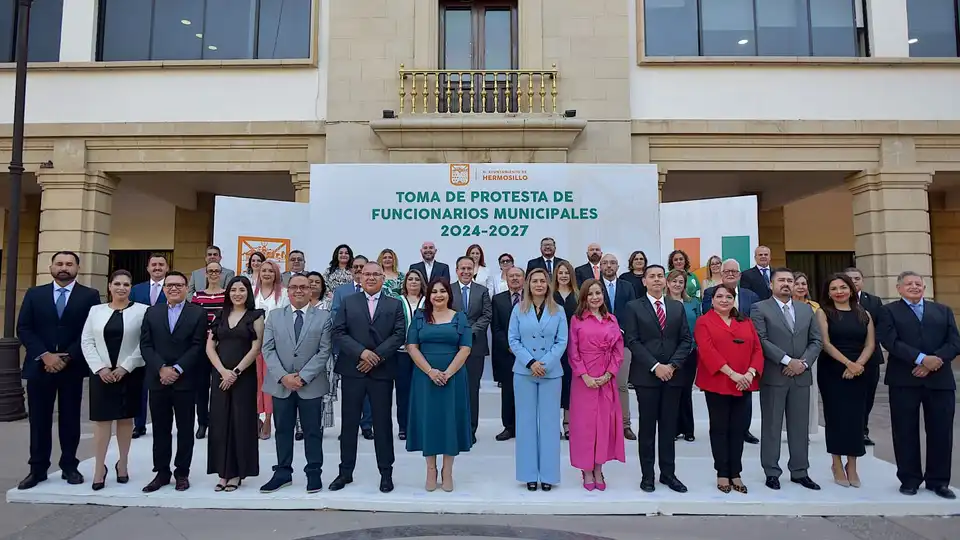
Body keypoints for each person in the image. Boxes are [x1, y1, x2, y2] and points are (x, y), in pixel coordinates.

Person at [16, 251, 101, 490]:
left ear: (77, 268)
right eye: (59, 263)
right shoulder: (35, 294)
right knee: (39, 421)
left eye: (69, 264)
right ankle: (38, 469)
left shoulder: (89, 296)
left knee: (70, 419)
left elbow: (89, 330)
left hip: (71, 367)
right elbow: (24, 328)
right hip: (39, 366)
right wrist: (45, 355)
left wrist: (67, 356)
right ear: (51, 267)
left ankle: (69, 466)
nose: (64, 267)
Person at [878, 271, 959, 500]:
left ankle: (938, 481)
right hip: (905, 379)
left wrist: (934, 361)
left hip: (940, 380)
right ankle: (910, 479)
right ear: (899, 289)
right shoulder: (889, 311)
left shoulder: (942, 310)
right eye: (908, 284)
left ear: (924, 287)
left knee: (941, 432)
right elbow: (890, 341)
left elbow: (954, 342)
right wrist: (921, 359)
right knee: (905, 431)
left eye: (918, 283)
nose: (914, 287)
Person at [330, 262, 406, 493]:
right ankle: (345, 472)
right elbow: (338, 332)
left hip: (382, 372)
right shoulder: (348, 302)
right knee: (350, 423)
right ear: (360, 277)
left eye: (376, 274)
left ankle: (386, 473)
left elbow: (399, 334)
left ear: (383, 278)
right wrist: (361, 353)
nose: (371, 278)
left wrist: (376, 356)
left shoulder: (394, 304)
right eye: (367, 274)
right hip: (353, 370)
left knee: (382, 424)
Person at [620, 264, 693, 493]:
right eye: (651, 276)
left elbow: (686, 340)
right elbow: (632, 340)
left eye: (660, 276)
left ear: (666, 280)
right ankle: (648, 475)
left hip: (672, 376)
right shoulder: (633, 307)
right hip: (647, 377)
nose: (656, 280)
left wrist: (671, 366)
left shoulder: (676, 307)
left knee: (669, 427)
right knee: (648, 428)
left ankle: (668, 474)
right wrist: (655, 366)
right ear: (644, 281)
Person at [259, 274, 333, 494]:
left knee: (312, 431)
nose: (299, 291)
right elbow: (267, 349)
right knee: (282, 430)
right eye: (294, 287)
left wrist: (303, 377)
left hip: (310, 385)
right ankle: (283, 472)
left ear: (311, 291)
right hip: (281, 384)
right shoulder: (274, 316)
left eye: (304, 287)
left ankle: (313, 473)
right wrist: (284, 377)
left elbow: (324, 350)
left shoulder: (324, 317)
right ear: (287, 291)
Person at [751, 267, 823, 492]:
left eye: (790, 281)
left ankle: (800, 471)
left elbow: (816, 341)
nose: (786, 284)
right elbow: (760, 340)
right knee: (772, 426)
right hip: (775, 375)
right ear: (771, 284)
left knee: (799, 427)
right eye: (781, 280)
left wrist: (802, 363)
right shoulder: (759, 308)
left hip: (801, 375)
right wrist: (786, 360)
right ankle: (772, 472)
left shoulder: (806, 310)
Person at [140, 271, 208, 493]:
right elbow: (146, 345)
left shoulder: (197, 313)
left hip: (185, 379)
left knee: (185, 428)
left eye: (179, 285)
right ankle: (161, 472)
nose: (174, 288)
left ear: (187, 287)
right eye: (169, 285)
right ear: (164, 288)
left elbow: (198, 346)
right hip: (158, 378)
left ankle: (182, 472)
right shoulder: (152, 312)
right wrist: (161, 368)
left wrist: (177, 369)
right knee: (160, 428)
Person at [80, 269, 148, 491]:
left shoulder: (142, 311)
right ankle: (99, 468)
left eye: (126, 285)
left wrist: (125, 367)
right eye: (117, 284)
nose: (121, 288)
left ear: (131, 288)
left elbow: (144, 343)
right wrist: (100, 368)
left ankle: (123, 463)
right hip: (101, 374)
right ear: (109, 286)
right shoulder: (95, 311)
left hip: (129, 373)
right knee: (102, 422)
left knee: (126, 420)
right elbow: (87, 341)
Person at [694, 284, 764, 494]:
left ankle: (736, 472)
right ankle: (722, 472)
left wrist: (749, 374)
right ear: (712, 300)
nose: (724, 300)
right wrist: (733, 375)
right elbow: (708, 352)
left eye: (729, 297)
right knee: (720, 429)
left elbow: (757, 350)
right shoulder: (704, 322)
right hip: (718, 382)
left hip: (744, 382)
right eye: (720, 296)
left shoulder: (746, 321)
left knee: (737, 429)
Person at [405, 277, 474, 492]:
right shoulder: (419, 317)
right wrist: (431, 372)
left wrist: (447, 373)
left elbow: (465, 348)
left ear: (449, 295)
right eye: (434, 291)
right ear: (429, 295)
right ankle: (431, 470)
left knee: (449, 422)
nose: (438, 295)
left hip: (452, 378)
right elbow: (412, 346)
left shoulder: (460, 317)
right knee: (430, 422)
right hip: (425, 378)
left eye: (442, 291)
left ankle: (448, 471)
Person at [508, 268, 568, 491]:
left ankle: (549, 475)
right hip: (524, 372)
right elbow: (513, 340)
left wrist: (545, 363)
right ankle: (529, 474)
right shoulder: (518, 310)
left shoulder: (558, 310)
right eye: (535, 281)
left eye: (543, 281)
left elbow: (562, 341)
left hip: (551, 373)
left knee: (550, 424)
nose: (539, 284)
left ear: (548, 284)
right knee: (525, 424)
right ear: (528, 284)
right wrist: (531, 362)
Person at [815, 273, 875, 488]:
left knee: (856, 419)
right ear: (828, 293)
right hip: (833, 370)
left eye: (843, 287)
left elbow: (870, 344)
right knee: (836, 417)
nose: (839, 292)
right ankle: (837, 463)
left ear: (851, 289)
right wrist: (848, 364)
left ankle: (852, 465)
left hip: (860, 370)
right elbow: (826, 344)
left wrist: (858, 365)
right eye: (834, 288)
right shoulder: (824, 313)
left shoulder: (863, 313)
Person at [205, 276, 264, 492]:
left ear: (248, 292)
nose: (237, 293)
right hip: (220, 376)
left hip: (243, 377)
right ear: (228, 293)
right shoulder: (219, 315)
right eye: (233, 290)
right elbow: (210, 347)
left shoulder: (255, 316)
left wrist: (235, 372)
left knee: (241, 422)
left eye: (242, 289)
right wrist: (223, 371)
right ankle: (223, 472)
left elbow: (255, 348)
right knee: (220, 422)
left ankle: (237, 473)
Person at [567, 279, 625, 491]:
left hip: (606, 380)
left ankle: (599, 467)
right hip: (584, 381)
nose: (595, 297)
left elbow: (619, 350)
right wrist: (585, 376)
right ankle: (586, 468)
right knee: (584, 426)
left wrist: (609, 374)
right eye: (590, 294)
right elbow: (573, 351)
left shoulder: (612, 319)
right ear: (584, 297)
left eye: (598, 293)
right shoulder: (577, 319)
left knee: (603, 425)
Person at [702, 259, 762, 445]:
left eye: (734, 271)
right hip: (720, 361)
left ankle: (745, 429)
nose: (730, 274)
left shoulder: (751, 296)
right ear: (721, 273)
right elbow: (708, 319)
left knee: (744, 403)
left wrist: (750, 371)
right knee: (720, 420)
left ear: (739, 275)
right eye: (726, 271)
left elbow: (755, 327)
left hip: (745, 357)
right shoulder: (710, 293)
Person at [330, 255, 375, 440]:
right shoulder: (342, 291)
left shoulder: (376, 290)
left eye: (361, 267)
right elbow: (335, 316)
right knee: (350, 393)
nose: (358, 269)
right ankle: (348, 428)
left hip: (370, 350)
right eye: (355, 267)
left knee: (369, 392)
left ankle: (367, 426)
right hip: (348, 349)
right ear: (351, 270)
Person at [450, 255, 492, 443]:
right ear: (457, 270)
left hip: (475, 346)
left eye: (469, 268)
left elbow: (486, 315)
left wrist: (468, 331)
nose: (466, 271)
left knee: (472, 390)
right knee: (453, 389)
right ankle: (454, 428)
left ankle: (470, 430)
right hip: (452, 347)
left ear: (474, 270)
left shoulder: (482, 291)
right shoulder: (448, 290)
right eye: (462, 268)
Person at [598, 252, 638, 441]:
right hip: (599, 345)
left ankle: (625, 425)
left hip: (623, 342)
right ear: (600, 266)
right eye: (605, 263)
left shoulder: (627, 286)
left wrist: (620, 331)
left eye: (612, 263)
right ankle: (604, 425)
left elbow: (632, 312)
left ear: (618, 266)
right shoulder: (594, 287)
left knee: (621, 385)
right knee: (601, 385)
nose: (609, 266)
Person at [130, 253, 169, 439]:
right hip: (138, 343)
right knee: (139, 387)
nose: (157, 268)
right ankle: (139, 424)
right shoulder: (136, 290)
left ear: (167, 268)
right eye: (154, 264)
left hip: (163, 344)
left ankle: (162, 424)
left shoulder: (171, 288)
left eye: (161, 264)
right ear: (148, 268)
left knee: (161, 388)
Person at [845, 267, 884, 448]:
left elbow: (882, 327)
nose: (854, 281)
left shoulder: (874, 302)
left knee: (868, 396)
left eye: (857, 278)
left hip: (871, 358)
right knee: (849, 397)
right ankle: (849, 430)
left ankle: (863, 431)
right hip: (845, 358)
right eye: (849, 278)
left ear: (862, 280)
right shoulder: (835, 301)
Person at [190, 261, 227, 440]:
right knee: (201, 387)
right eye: (210, 271)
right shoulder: (197, 295)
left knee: (220, 386)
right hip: (202, 348)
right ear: (205, 274)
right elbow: (195, 321)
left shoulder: (227, 295)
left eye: (216, 271)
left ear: (221, 274)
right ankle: (202, 422)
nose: (213, 274)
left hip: (222, 348)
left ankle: (218, 422)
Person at [254, 259, 289, 440]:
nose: (267, 273)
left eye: (271, 271)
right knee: (255, 381)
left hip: (274, 345)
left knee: (270, 381)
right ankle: (257, 416)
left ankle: (268, 418)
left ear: (276, 274)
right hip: (253, 344)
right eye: (264, 270)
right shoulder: (252, 292)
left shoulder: (283, 294)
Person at [667, 269, 701, 442]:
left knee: (686, 391)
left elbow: (700, 325)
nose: (677, 284)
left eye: (681, 282)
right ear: (668, 283)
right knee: (672, 392)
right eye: (674, 281)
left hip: (690, 352)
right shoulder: (663, 302)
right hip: (669, 354)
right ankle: (672, 428)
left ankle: (688, 429)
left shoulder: (693, 302)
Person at [492, 266, 525, 441]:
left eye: (518, 276)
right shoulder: (498, 299)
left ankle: (525, 426)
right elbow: (496, 328)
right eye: (511, 276)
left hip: (528, 354)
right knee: (508, 392)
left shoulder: (532, 297)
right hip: (507, 354)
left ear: (524, 279)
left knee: (526, 392)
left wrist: (523, 350)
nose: (514, 279)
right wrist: (510, 347)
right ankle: (509, 427)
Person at [396, 269, 426, 440]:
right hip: (402, 353)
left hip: (423, 353)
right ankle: (403, 426)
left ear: (421, 283)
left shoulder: (428, 302)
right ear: (405, 283)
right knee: (403, 391)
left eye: (417, 279)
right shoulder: (397, 301)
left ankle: (420, 425)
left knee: (422, 391)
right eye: (410, 279)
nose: (413, 282)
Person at [552, 261, 578, 439]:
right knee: (554, 386)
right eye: (560, 273)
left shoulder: (577, 295)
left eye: (566, 273)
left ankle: (568, 424)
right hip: (553, 347)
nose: (563, 276)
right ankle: (553, 424)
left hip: (574, 346)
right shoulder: (550, 295)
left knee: (570, 386)